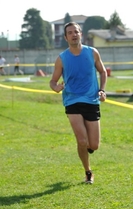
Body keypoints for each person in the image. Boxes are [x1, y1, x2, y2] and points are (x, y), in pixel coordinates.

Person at [49, 22, 107, 184]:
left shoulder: (93, 53)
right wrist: (57, 87)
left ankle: (87, 148)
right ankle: (88, 171)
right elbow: (52, 82)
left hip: (92, 100)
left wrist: (102, 90)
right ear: (66, 37)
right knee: (82, 141)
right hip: (72, 100)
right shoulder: (61, 59)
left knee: (93, 145)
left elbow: (102, 72)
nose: (74, 34)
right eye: (70, 32)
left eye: (76, 31)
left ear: (81, 34)